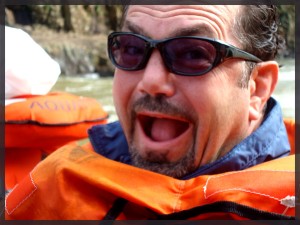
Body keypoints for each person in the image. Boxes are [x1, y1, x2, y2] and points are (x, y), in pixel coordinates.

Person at [5, 5, 295, 220]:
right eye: (132, 48)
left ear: (257, 89)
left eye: (194, 53)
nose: (151, 81)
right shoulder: (53, 188)